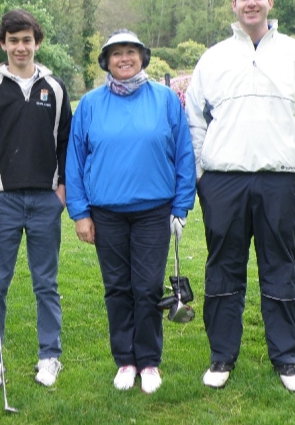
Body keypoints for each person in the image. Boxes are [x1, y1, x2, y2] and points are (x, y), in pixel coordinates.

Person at [184, 0, 295, 393]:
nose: (251, 2)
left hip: (280, 181)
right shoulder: (213, 58)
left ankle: (285, 359)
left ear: (270, 1)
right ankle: (221, 356)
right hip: (223, 182)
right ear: (233, 4)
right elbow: (195, 121)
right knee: (223, 270)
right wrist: (201, 176)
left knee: (281, 269)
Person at [65, 30, 196, 394]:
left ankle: (149, 361)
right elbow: (74, 162)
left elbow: (184, 154)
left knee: (148, 286)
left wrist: (182, 206)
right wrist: (80, 213)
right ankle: (125, 360)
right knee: (118, 288)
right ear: (106, 61)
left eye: (131, 52)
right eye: (117, 53)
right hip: (106, 213)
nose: (125, 58)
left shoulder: (166, 99)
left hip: (154, 211)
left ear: (142, 57)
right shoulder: (90, 104)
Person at [0, 9, 72, 393]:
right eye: (13, 40)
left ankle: (50, 356)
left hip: (46, 201)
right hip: (2, 202)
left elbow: (67, 144)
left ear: (36, 42)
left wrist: (62, 190)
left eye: (27, 39)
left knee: (46, 283)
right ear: (3, 44)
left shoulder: (55, 88)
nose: (20, 47)